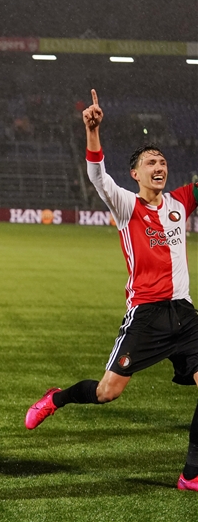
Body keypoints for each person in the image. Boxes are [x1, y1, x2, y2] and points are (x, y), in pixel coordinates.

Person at [25, 89, 198, 493]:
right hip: (147, 315)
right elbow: (98, 175)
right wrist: (93, 130)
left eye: (163, 161)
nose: (159, 166)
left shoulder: (180, 203)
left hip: (186, 314)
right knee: (107, 393)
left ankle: (191, 474)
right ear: (135, 174)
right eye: (150, 162)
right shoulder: (125, 205)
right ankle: (58, 398)